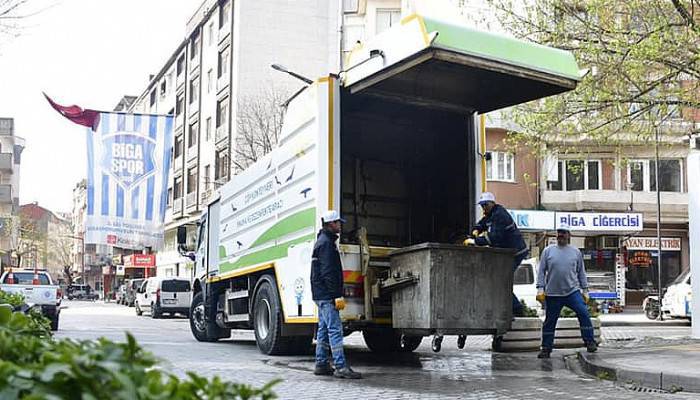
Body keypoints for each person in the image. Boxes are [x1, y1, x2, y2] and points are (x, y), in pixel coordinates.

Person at [310, 210, 362, 379]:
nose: (340, 225)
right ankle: (340, 366)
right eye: (338, 222)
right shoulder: (326, 244)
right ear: (331, 224)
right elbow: (328, 273)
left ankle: (321, 364)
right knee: (335, 329)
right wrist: (336, 295)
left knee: (324, 330)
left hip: (321, 294)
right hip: (327, 295)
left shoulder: (323, 241)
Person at [536, 223, 597, 359]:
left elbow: (581, 272)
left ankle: (590, 342)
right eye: (559, 232)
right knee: (550, 321)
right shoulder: (548, 251)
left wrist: (585, 290)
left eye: (563, 232)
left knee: (583, 314)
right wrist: (540, 288)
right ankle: (546, 348)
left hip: (572, 292)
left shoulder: (575, 252)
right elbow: (541, 271)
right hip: (553, 294)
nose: (561, 235)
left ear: (569, 235)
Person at [467, 192, 529, 316]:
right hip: (506, 253)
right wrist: (476, 229)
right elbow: (483, 222)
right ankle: (512, 309)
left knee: (501, 282)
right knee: (499, 281)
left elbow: (493, 239)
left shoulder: (500, 216)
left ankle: (517, 309)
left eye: (486, 205)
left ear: (492, 203)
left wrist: (474, 241)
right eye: (482, 205)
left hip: (515, 253)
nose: (484, 207)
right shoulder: (491, 214)